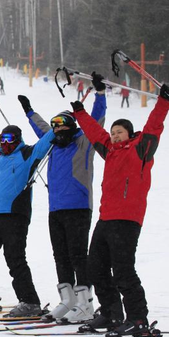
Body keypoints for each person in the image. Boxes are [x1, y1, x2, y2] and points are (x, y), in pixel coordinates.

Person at [71, 83, 169, 337]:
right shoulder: (109, 151)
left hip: (127, 219)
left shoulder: (141, 149)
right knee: (95, 268)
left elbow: (154, 125)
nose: (115, 136)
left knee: (123, 270)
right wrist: (80, 113)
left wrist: (164, 101)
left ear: (130, 133)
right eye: (113, 132)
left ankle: (138, 319)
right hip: (105, 218)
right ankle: (111, 314)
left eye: (120, 132)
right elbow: (95, 133)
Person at [19, 71, 107, 323]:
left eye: (63, 125)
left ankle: (85, 303)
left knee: (78, 255)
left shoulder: (83, 142)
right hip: (55, 209)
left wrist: (100, 94)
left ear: (73, 127)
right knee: (60, 255)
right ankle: (67, 300)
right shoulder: (54, 145)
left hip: (78, 206)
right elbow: (42, 129)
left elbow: (97, 121)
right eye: (55, 126)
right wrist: (29, 112)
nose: (58, 130)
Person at [0, 124, 55, 316]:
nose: (5, 143)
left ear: (17, 138)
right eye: (2, 139)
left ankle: (30, 302)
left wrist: (61, 121)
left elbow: (46, 142)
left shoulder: (27, 153)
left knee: (14, 258)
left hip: (15, 214)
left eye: (9, 138)